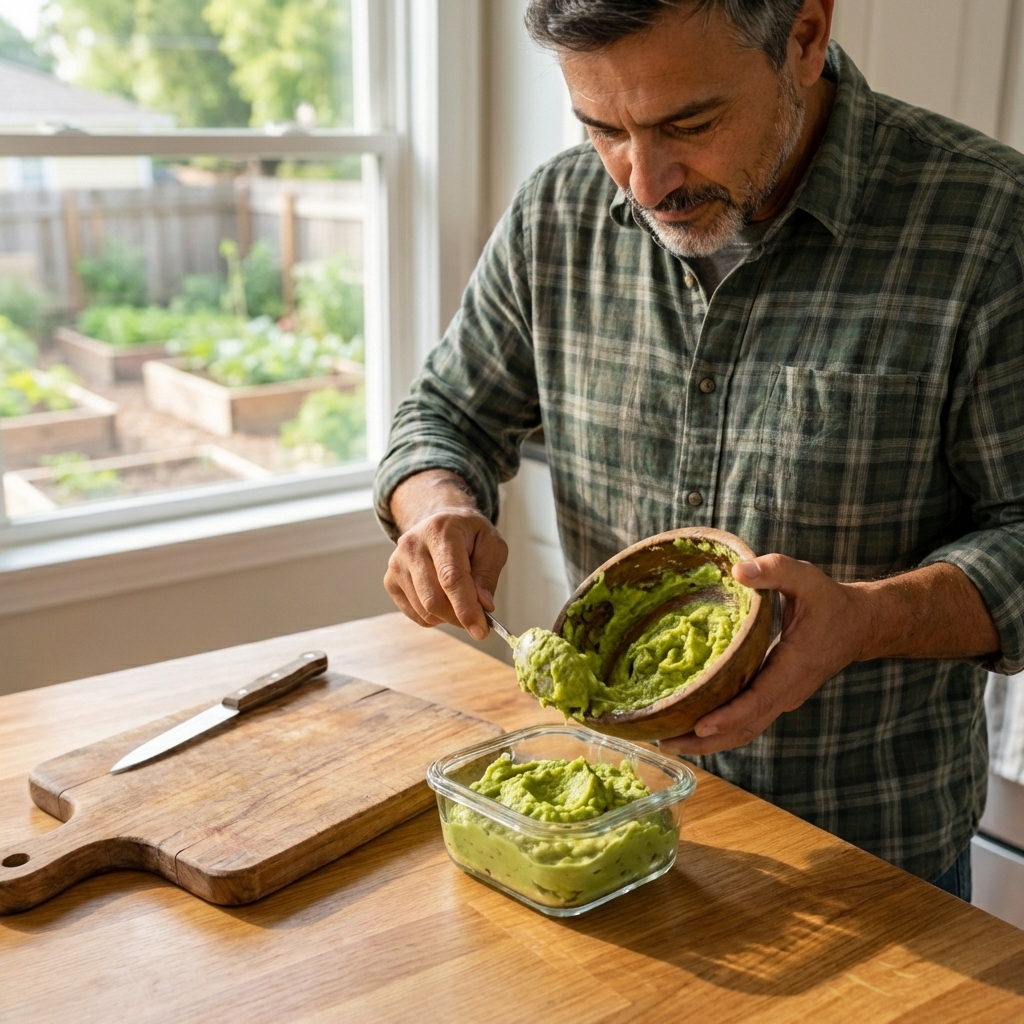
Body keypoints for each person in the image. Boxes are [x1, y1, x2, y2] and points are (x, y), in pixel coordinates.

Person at [373, 0, 1024, 901]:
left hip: (866, 860)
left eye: (691, 124)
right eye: (602, 128)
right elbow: (443, 415)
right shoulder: (556, 213)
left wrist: (864, 620)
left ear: (803, 34)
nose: (643, 183)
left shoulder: (990, 225)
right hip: (611, 822)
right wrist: (436, 505)